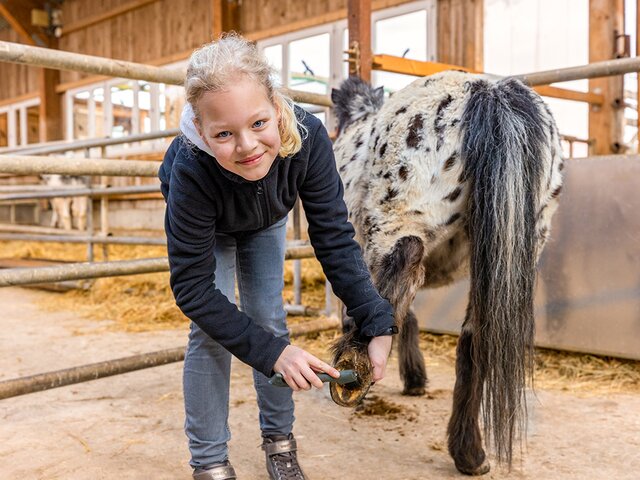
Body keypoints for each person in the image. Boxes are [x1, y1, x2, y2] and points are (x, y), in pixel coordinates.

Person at [159, 33, 396, 480]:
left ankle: (280, 444)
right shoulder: (191, 168)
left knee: (270, 319)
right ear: (200, 125)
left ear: (275, 103)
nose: (247, 146)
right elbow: (192, 288)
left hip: (266, 216)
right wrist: (272, 356)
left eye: (259, 124)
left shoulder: (307, 139)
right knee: (210, 334)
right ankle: (209, 463)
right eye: (224, 134)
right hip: (211, 221)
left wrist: (376, 320)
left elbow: (333, 236)